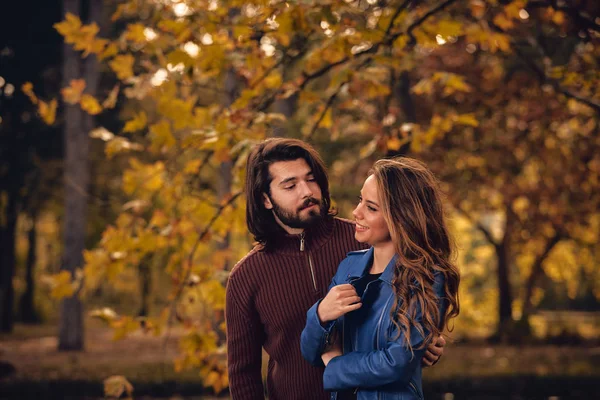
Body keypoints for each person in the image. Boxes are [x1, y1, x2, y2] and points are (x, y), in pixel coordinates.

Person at [226, 139, 446, 400]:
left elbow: (405, 328)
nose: (307, 191)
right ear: (266, 199)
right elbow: (242, 376)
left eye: (311, 179)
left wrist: (424, 342)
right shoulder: (246, 277)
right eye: (291, 185)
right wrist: (318, 315)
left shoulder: (366, 239)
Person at [300, 157, 461, 400]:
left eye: (371, 208)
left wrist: (335, 363)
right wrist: (320, 314)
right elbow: (311, 351)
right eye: (360, 200)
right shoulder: (349, 266)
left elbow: (396, 363)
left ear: (402, 217)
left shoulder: (427, 277)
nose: (357, 212)